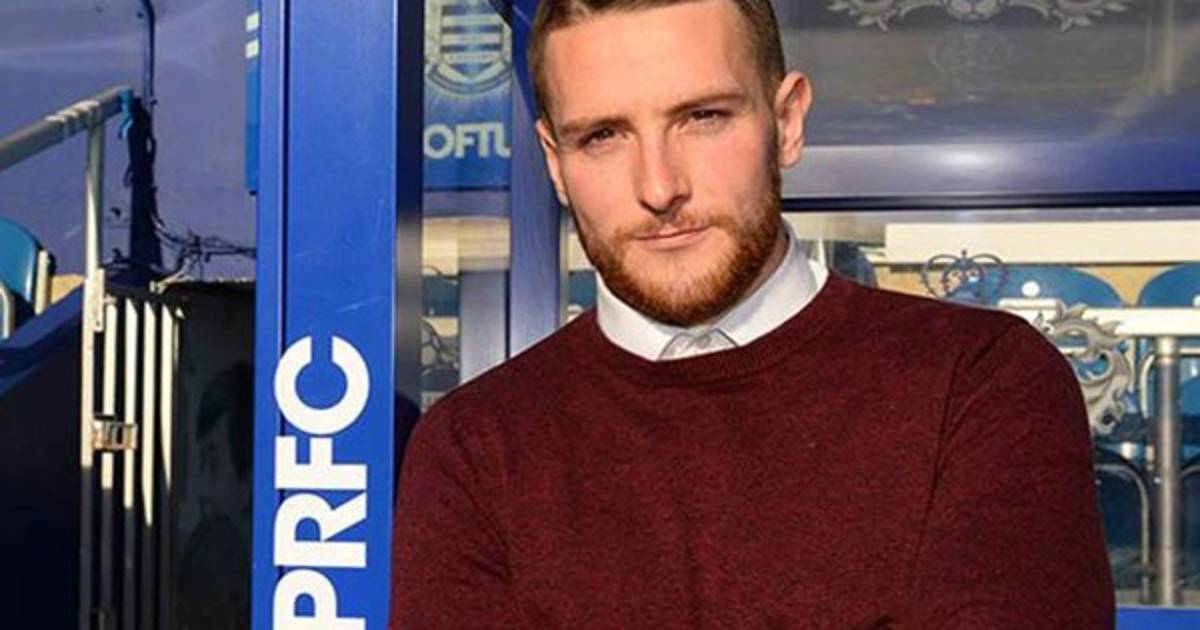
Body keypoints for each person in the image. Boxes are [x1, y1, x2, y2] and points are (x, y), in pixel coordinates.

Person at [391, 0, 1114, 627]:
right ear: (555, 161)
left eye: (702, 117)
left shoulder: (977, 383)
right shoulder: (473, 448)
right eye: (603, 136)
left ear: (787, 120)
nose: (659, 187)